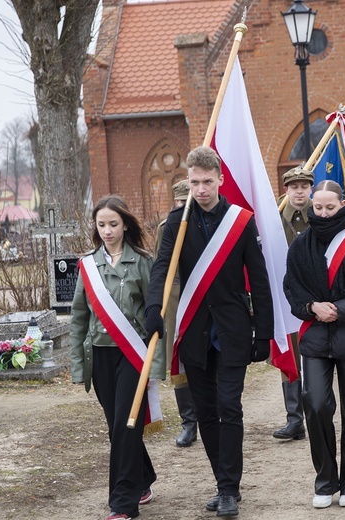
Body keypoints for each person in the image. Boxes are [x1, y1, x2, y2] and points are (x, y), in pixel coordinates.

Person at [145, 146, 273, 518]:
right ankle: (222, 483)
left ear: (219, 179)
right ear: (188, 181)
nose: (201, 189)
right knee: (205, 412)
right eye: (195, 182)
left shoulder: (240, 221)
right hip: (194, 329)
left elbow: (260, 279)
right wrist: (155, 308)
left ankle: (230, 490)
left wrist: (263, 331)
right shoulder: (176, 223)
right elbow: (162, 268)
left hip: (232, 329)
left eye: (207, 181)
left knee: (229, 406)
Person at [283, 180, 345, 509]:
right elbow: (292, 288)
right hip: (315, 339)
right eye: (318, 207)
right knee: (316, 404)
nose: (323, 213)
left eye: (330, 207)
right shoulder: (301, 245)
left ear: (343, 203)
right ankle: (326, 480)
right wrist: (312, 307)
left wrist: (337, 309)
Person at [70, 195, 166, 520]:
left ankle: (122, 503)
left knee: (126, 424)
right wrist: (77, 366)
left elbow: (157, 316)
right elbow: (78, 318)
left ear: (125, 224)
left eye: (113, 224)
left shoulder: (143, 261)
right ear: (95, 227)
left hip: (133, 354)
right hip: (99, 355)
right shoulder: (88, 265)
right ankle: (144, 478)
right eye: (102, 225)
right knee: (117, 427)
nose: (108, 230)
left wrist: (156, 365)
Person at [154, 180, 198, 448]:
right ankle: (188, 422)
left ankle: (210, 417)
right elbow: (161, 264)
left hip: (202, 294)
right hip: (175, 298)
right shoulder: (166, 228)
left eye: (187, 203)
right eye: (179, 203)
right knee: (178, 358)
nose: (183, 208)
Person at [273, 166, 314, 441]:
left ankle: (317, 416)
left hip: (318, 300)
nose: (299, 191)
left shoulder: (322, 216)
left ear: (311, 188)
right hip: (287, 300)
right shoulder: (274, 221)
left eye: (304, 186)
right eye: (294, 186)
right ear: (286, 190)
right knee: (290, 356)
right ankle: (294, 419)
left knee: (318, 357)